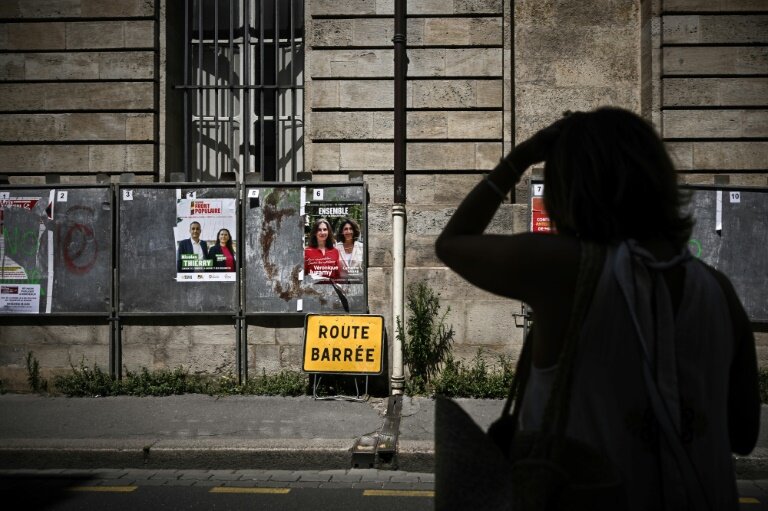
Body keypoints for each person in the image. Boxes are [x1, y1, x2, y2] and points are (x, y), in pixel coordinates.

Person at [435, 107, 759, 510]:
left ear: (571, 185)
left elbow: (452, 242)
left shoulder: (566, 268)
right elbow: (744, 434)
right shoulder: (718, 291)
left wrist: (520, 158)